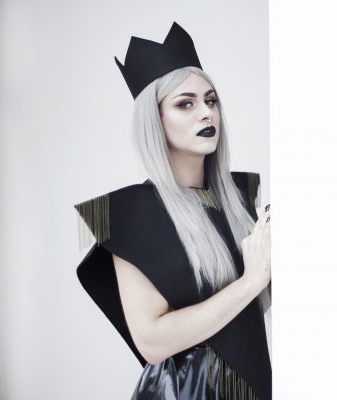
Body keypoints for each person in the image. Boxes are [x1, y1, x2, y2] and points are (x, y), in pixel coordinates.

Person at [74, 22, 272, 400]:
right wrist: (250, 281)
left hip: (255, 382)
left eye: (210, 100)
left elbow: (250, 311)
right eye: (186, 103)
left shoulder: (239, 200)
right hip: (187, 391)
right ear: (155, 120)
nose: (206, 113)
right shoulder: (130, 214)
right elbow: (152, 342)